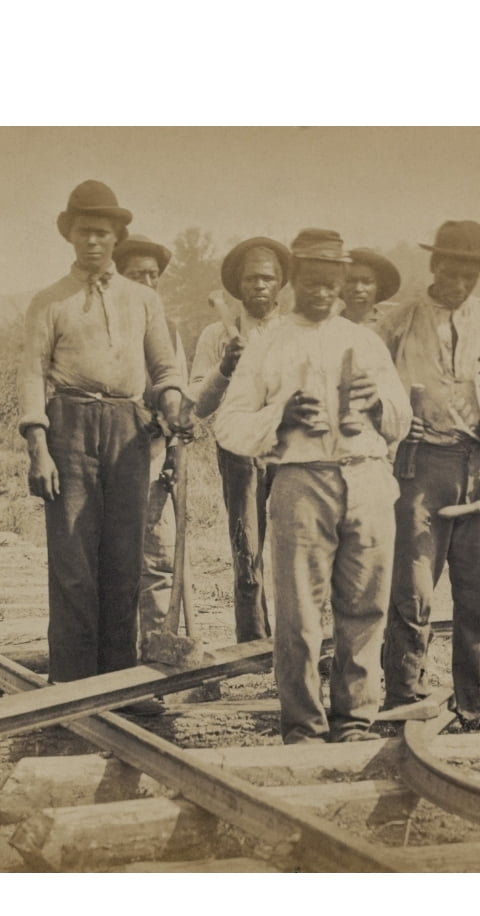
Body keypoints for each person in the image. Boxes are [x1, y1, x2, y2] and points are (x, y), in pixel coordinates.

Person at [215, 229, 411, 744]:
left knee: (365, 607)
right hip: (301, 481)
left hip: (368, 479)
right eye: (312, 281)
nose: (322, 292)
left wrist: (377, 406)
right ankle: (302, 726)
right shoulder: (270, 344)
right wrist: (279, 416)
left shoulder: (364, 341)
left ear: (342, 283)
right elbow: (228, 424)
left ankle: (354, 721)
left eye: (331, 283)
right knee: (300, 615)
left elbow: (401, 420)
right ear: (294, 279)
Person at [17, 181, 191, 705]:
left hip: (127, 428)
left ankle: (117, 683)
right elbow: (30, 375)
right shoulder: (49, 301)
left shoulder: (142, 299)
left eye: (102, 233)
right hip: (68, 425)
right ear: (70, 235)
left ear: (117, 237)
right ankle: (70, 686)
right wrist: (38, 446)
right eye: (83, 232)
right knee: (73, 560)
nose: (93, 242)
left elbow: (163, 367)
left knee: (123, 560)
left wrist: (175, 401)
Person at [378, 220, 480, 732]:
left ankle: (477, 705)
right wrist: (400, 419)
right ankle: (405, 696)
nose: (459, 279)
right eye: (451, 268)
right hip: (420, 466)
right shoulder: (398, 321)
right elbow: (371, 390)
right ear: (434, 265)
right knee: (411, 588)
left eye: (469, 271)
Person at [189, 236, 290, 643]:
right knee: (247, 549)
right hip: (237, 451)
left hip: (290, 451)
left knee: (296, 551)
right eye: (252, 279)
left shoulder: (298, 332)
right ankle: (251, 644)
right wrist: (225, 368)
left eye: (268, 278)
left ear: (281, 283)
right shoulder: (217, 335)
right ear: (238, 285)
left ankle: (296, 642)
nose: (260, 286)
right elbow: (197, 403)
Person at [112, 233, 188, 640]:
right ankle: (118, 658)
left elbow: (180, 394)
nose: (146, 282)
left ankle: (156, 653)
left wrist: (174, 451)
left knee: (158, 557)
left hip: (155, 454)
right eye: (136, 274)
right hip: (108, 456)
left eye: (153, 275)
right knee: (117, 560)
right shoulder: (104, 327)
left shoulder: (168, 330)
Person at [342, 247, 401, 327]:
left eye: (367, 282)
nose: (358, 288)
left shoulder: (391, 327)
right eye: (351, 281)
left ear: (378, 287)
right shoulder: (327, 326)